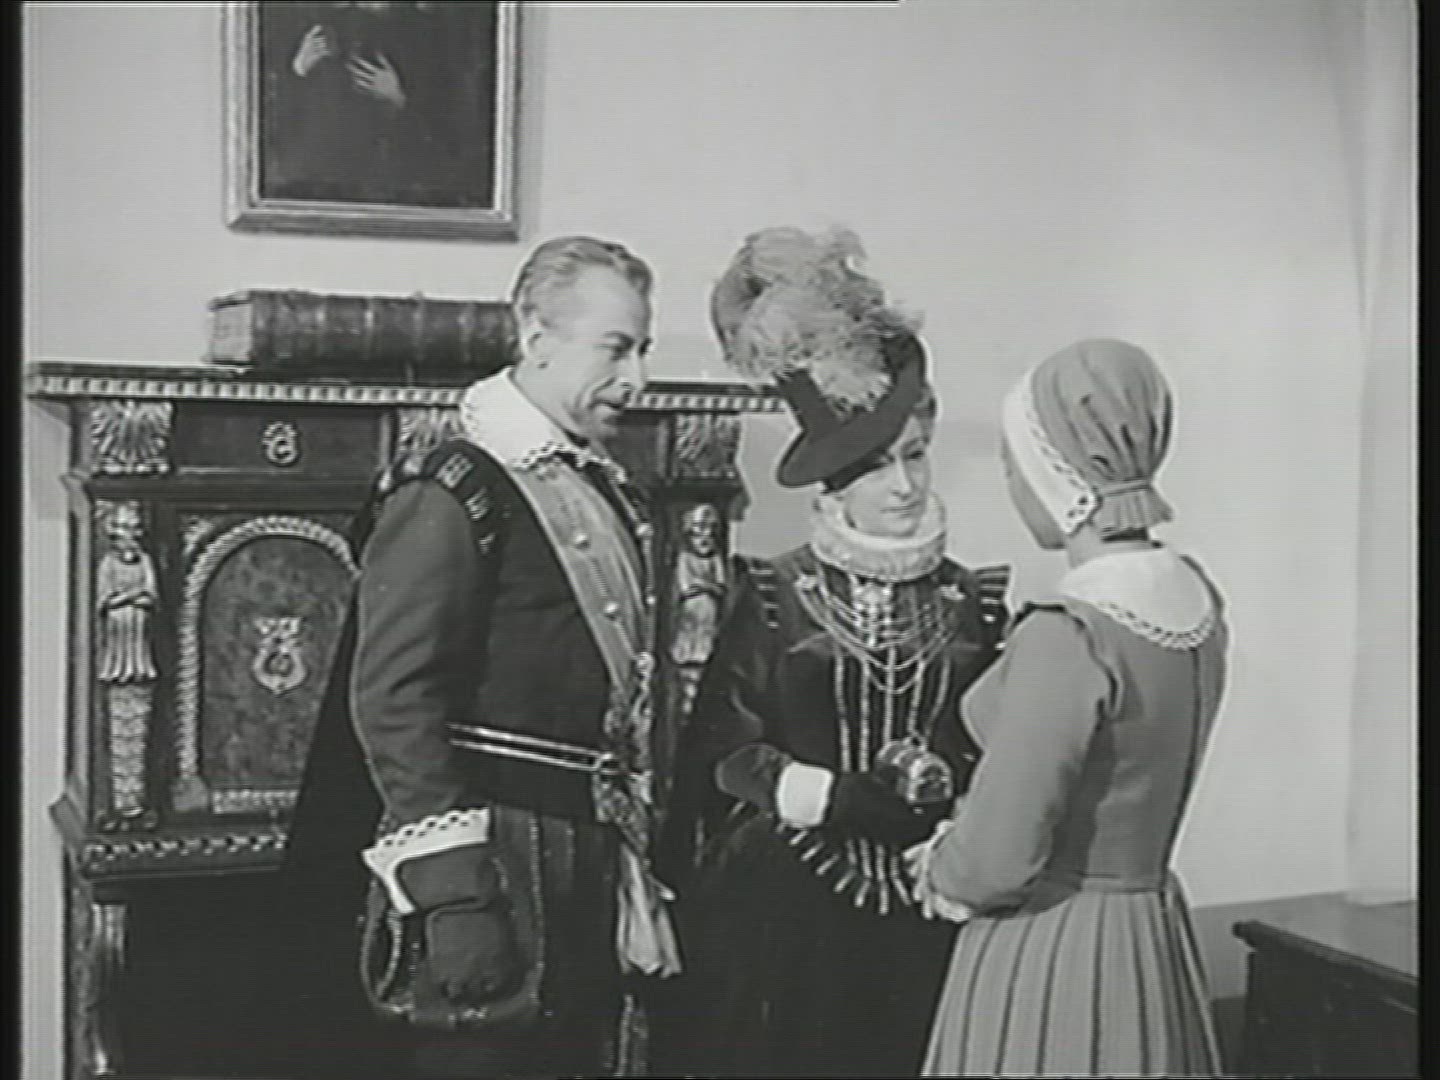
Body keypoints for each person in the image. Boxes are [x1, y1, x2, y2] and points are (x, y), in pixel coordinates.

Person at [284, 235, 680, 1079]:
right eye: (616, 348)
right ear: (536, 337)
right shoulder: (454, 486)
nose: (638, 378)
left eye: (643, 349)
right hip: (498, 864)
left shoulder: (597, 484)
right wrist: (456, 895)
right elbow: (395, 700)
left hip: (582, 857)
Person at [661, 227, 1010, 1079]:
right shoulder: (773, 595)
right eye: (876, 467)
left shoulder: (973, 602)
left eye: (916, 456)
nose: (905, 485)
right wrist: (832, 796)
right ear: (835, 481)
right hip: (791, 912)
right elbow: (721, 753)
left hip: (929, 905)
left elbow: (999, 755)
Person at [909, 339, 1227, 1077]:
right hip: (1150, 934)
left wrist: (941, 865)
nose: (1013, 484)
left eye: (1012, 465)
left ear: (1056, 476)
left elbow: (996, 860)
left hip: (1055, 949)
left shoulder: (1069, 632)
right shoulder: (1197, 599)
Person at [263, 2, 493, 207]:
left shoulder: (427, 30)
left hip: (402, 172)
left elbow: (450, 122)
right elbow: (286, 117)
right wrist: (299, 69)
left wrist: (398, 97)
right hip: (330, 170)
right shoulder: (325, 25)